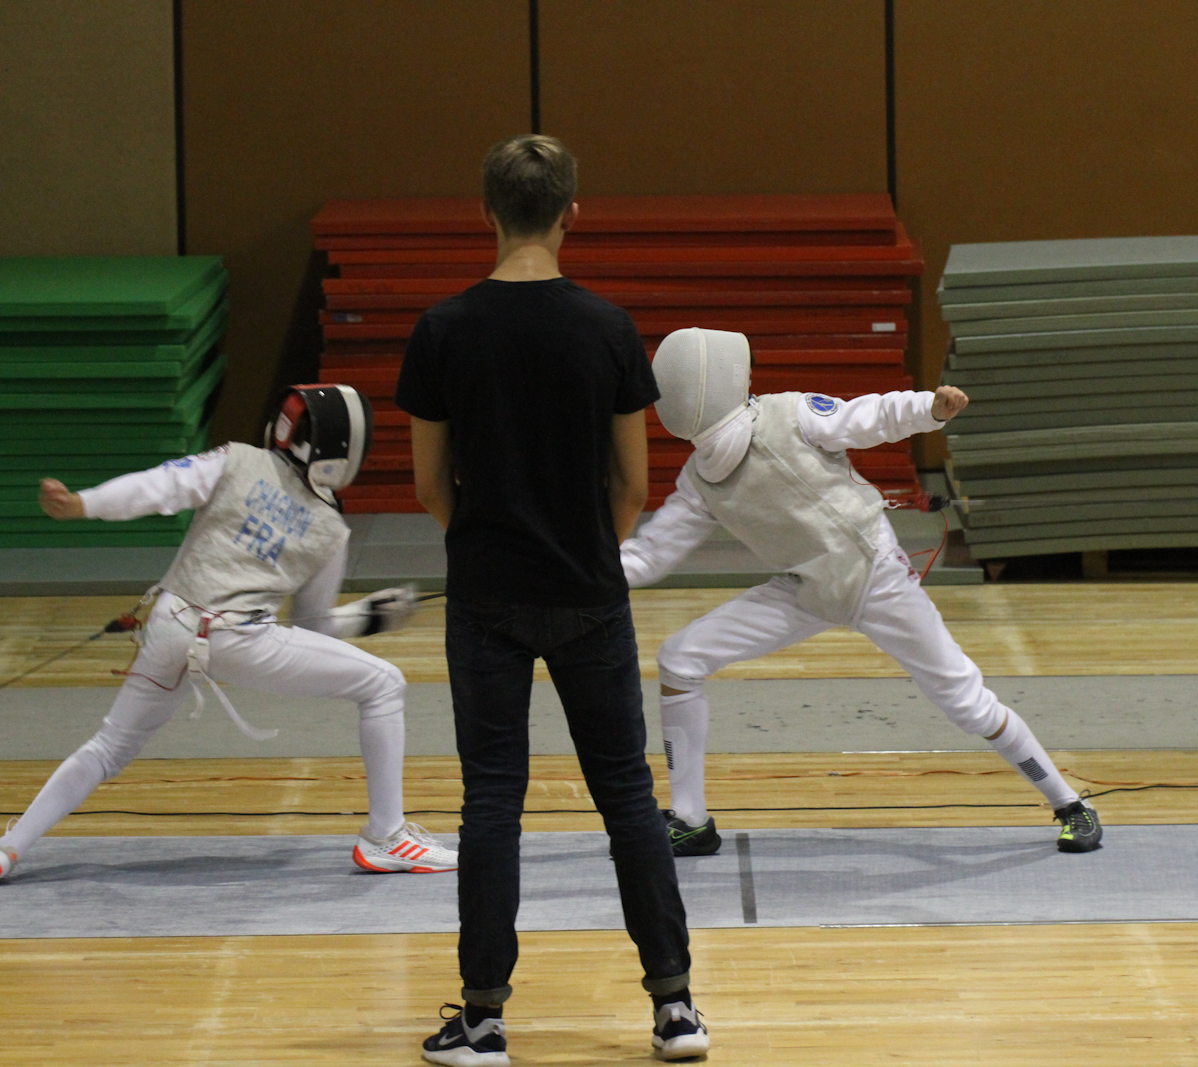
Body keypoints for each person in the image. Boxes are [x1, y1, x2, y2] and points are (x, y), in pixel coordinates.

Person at [398, 134, 705, 1067]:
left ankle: (483, 1020)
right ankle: (676, 1010)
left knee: (492, 798)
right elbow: (634, 487)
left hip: (485, 592)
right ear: (573, 213)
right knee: (627, 796)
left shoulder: (443, 329)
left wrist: (489, 544)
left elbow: (430, 485)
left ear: (486, 212)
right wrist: (584, 553)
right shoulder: (608, 327)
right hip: (589, 593)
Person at [621, 327, 1104, 857]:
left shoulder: (790, 414)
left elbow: (869, 417)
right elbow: (646, 557)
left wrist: (929, 409)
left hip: (877, 578)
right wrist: (580, 571)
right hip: (807, 590)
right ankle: (691, 820)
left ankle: (1069, 803)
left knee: (967, 704)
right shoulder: (699, 481)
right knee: (681, 659)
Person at [0, 384, 455, 882]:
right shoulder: (330, 528)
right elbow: (315, 625)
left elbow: (162, 485)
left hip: (170, 623)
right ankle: (386, 837)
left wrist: (82, 503)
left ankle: (7, 851)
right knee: (384, 684)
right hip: (236, 641)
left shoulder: (236, 459)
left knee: (107, 748)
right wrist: (367, 618)